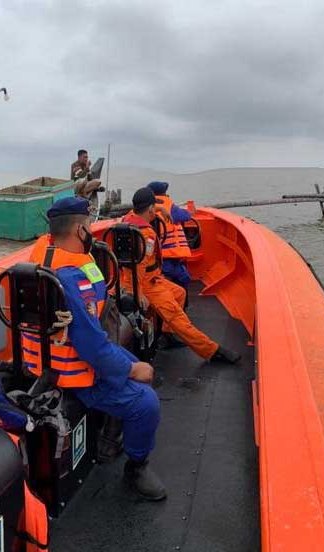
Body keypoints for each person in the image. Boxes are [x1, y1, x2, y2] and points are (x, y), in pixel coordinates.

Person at [26, 196, 166, 500]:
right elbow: (93, 349)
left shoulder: (43, 255)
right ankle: (136, 465)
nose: (91, 230)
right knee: (146, 402)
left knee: (137, 365)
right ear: (79, 231)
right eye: (89, 225)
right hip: (74, 371)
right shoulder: (71, 279)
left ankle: (111, 436)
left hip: (46, 361)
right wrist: (130, 369)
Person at [122, 188, 240, 364]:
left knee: (179, 293)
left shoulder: (129, 220)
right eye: (155, 208)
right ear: (150, 209)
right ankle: (212, 351)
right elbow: (139, 267)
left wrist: (161, 210)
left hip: (148, 278)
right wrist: (138, 294)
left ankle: (168, 336)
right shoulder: (146, 236)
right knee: (180, 319)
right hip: (146, 284)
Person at [147, 181, 192, 290]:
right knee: (184, 277)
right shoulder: (169, 206)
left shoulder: (146, 208)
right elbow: (185, 216)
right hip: (169, 255)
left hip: (154, 255)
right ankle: (182, 302)